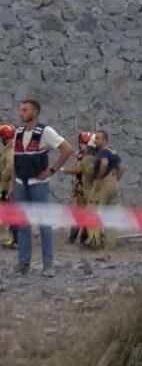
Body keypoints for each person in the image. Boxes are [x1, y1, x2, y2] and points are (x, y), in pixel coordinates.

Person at [10, 100, 74, 277]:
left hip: (38, 186)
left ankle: (48, 264)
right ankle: (23, 263)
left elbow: (67, 149)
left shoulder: (45, 131)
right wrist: (12, 186)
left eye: (25, 110)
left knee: (45, 224)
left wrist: (51, 170)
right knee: (23, 225)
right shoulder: (19, 133)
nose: (21, 113)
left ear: (35, 113)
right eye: (20, 109)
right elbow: (16, 161)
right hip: (21, 185)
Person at [61, 131, 94, 244]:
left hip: (83, 189)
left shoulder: (86, 156)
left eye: (81, 143)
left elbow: (77, 170)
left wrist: (66, 170)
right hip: (85, 188)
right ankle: (83, 237)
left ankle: (75, 237)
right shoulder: (89, 155)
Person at [0, 124, 17, 249]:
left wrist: (2, 176)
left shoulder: (11, 150)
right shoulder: (11, 148)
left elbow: (10, 168)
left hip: (7, 187)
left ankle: (10, 239)